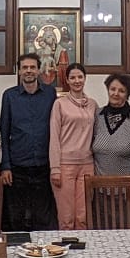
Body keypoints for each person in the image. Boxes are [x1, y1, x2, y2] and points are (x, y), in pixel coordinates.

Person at [0, 53, 58, 231]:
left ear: (39, 70)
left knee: (43, 217)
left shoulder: (50, 93)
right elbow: (4, 133)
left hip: (43, 165)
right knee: (16, 218)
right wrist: (5, 166)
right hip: (18, 166)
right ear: (19, 71)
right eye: (25, 67)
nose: (29, 71)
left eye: (32, 67)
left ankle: (42, 247)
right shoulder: (9, 96)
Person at [49, 63, 97, 230]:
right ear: (67, 80)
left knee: (82, 217)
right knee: (66, 217)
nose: (77, 81)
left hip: (87, 165)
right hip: (65, 166)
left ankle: (83, 247)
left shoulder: (93, 104)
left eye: (80, 77)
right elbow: (54, 137)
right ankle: (66, 245)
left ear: (85, 79)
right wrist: (55, 168)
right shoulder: (59, 104)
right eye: (73, 77)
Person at [91, 73, 130, 176]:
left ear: (127, 94)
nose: (116, 93)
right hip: (98, 182)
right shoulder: (97, 115)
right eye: (113, 89)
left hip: (127, 183)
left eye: (121, 91)